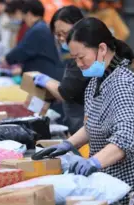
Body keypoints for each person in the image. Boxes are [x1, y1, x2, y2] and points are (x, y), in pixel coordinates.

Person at [33, 17, 134, 205]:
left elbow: (126, 138)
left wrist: (94, 162)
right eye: (75, 59)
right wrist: (68, 144)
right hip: (108, 185)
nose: (79, 64)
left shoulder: (123, 83)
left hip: (132, 189)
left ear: (101, 49)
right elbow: (93, 123)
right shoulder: (95, 80)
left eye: (81, 57)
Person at [34, 5, 89, 134]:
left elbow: (67, 93)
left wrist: (45, 81)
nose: (62, 38)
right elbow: (73, 90)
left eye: (66, 33)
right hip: (77, 129)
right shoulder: (72, 59)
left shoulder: (86, 59)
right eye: (58, 34)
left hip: (86, 130)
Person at [3, 0, 64, 80]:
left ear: (29, 14)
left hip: (46, 76)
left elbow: (22, 50)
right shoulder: (42, 27)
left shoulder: (38, 30)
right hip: (46, 74)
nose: (24, 20)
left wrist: (6, 59)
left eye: (24, 16)